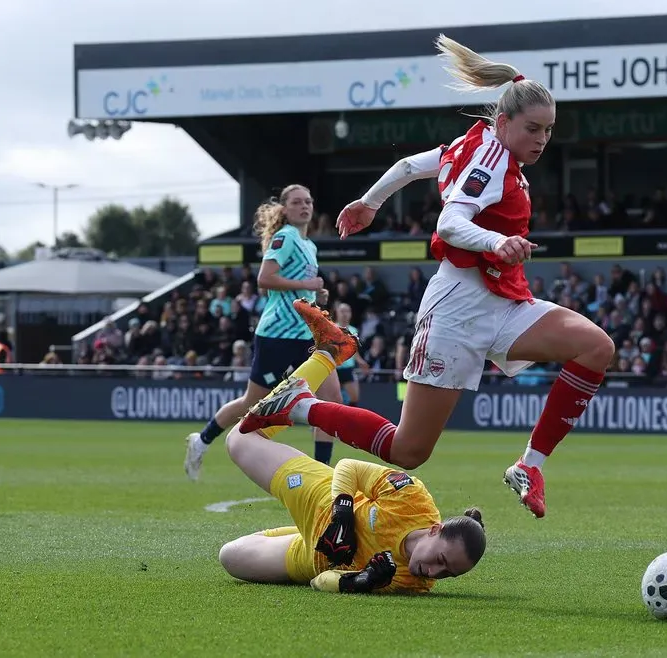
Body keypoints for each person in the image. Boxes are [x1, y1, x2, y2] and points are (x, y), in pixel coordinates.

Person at [240, 35, 616, 520]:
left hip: (502, 302)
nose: (542, 139)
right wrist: (496, 242)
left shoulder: (476, 143)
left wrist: (369, 202)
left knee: (595, 347)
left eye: (548, 130)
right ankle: (299, 405)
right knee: (408, 449)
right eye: (533, 129)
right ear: (503, 122)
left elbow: (408, 166)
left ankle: (529, 466)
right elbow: (449, 223)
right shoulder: (491, 159)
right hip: (456, 311)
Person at [219, 324, 486, 594]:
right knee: (239, 439)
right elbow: (349, 467)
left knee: (229, 558)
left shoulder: (411, 582)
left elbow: (320, 580)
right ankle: (327, 356)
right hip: (319, 499)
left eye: (447, 574)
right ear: (434, 530)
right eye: (440, 560)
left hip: (313, 557)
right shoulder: (412, 501)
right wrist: (343, 516)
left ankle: (308, 384)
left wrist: (359, 581)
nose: (432, 572)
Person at [184, 184, 341, 481]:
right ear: (285, 209)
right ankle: (202, 440)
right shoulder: (286, 237)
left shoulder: (310, 244)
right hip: (278, 335)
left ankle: (324, 475)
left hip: (306, 334)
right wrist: (307, 286)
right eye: (297, 202)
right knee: (250, 403)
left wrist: (316, 298)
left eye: (308, 201)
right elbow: (265, 279)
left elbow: (296, 287)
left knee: (331, 397)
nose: (305, 206)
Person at [333, 302, 371, 406]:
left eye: (347, 311)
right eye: (342, 311)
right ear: (337, 313)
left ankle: (348, 421)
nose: (345, 314)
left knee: (354, 398)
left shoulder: (354, 330)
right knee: (333, 400)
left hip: (348, 369)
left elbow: (353, 351)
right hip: (333, 369)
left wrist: (361, 362)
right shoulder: (331, 328)